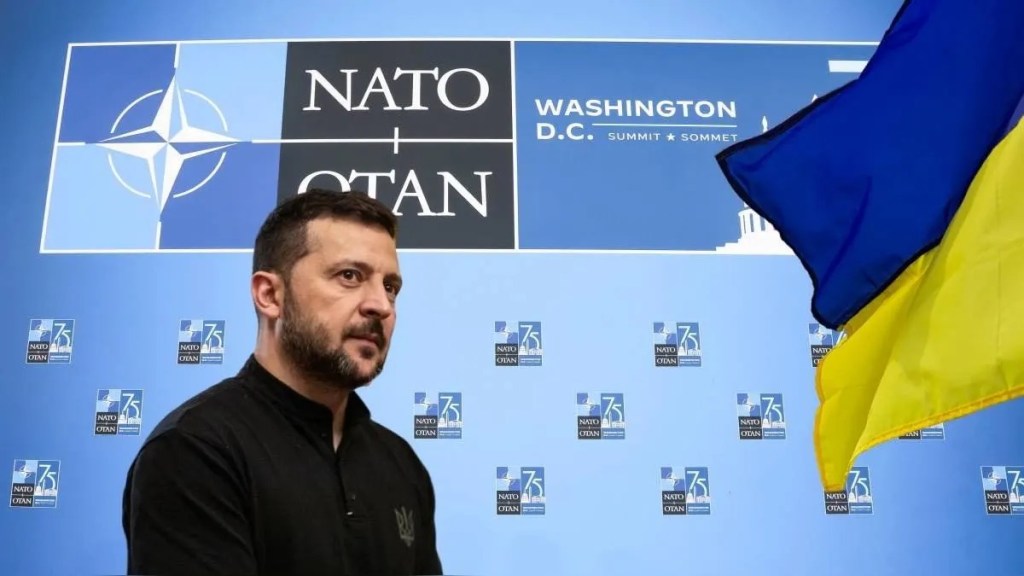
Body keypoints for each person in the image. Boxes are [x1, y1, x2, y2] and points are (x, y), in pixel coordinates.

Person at [121, 189, 444, 575]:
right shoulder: (195, 450)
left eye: (390, 286)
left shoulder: (401, 464)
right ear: (270, 295)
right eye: (349, 276)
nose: (381, 305)